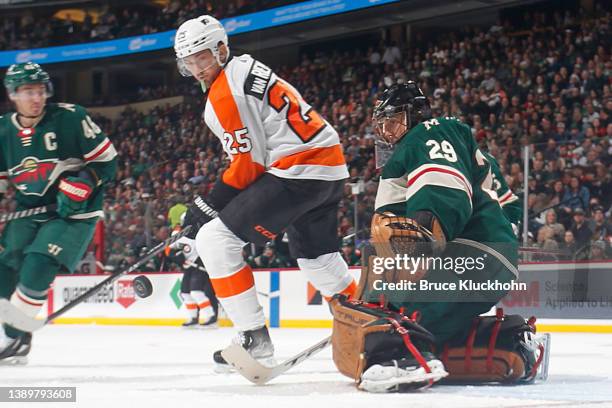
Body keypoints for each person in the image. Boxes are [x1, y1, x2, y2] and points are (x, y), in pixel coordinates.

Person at [330, 82, 548, 392]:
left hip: (467, 256)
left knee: (390, 321)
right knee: (416, 323)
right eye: (384, 124)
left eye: (394, 121)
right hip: (483, 257)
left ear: (415, 115)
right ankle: (504, 344)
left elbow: (441, 192)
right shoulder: (466, 149)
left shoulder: (429, 132)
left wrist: (423, 241)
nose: (389, 131)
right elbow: (509, 210)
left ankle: (401, 358)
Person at [173, 16, 356, 370]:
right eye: (189, 61)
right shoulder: (246, 68)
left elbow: (249, 164)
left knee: (214, 240)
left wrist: (208, 204)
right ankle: (366, 313)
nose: (197, 68)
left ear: (222, 50)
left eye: (203, 57)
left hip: (298, 171)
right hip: (329, 167)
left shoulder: (225, 92)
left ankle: (253, 341)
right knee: (318, 260)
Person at [0, 62, 117, 364]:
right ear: (13, 94)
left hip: (74, 213)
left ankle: (11, 337)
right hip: (28, 210)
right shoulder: (2, 130)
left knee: (38, 265)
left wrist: (85, 181)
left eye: (40, 90)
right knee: (4, 268)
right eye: (28, 91)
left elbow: (108, 162)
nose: (36, 98)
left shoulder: (70, 117)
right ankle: (17, 336)